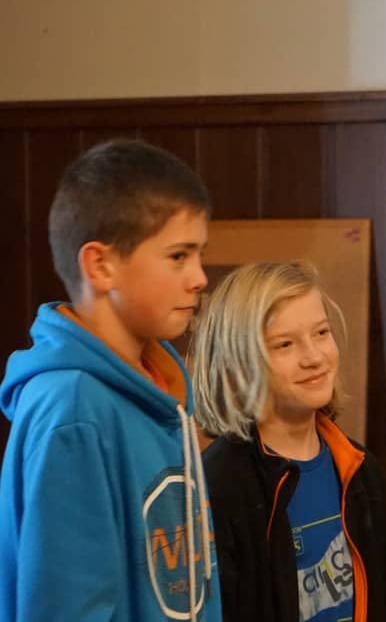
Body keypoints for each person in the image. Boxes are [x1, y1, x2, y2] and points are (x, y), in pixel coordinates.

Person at [0, 140, 221, 621]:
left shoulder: (160, 386)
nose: (199, 277)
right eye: (178, 256)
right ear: (100, 265)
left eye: (199, 255)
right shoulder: (73, 409)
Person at [190, 261, 386, 622]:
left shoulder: (360, 468)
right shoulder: (218, 485)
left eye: (321, 332)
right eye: (285, 344)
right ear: (238, 363)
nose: (314, 357)